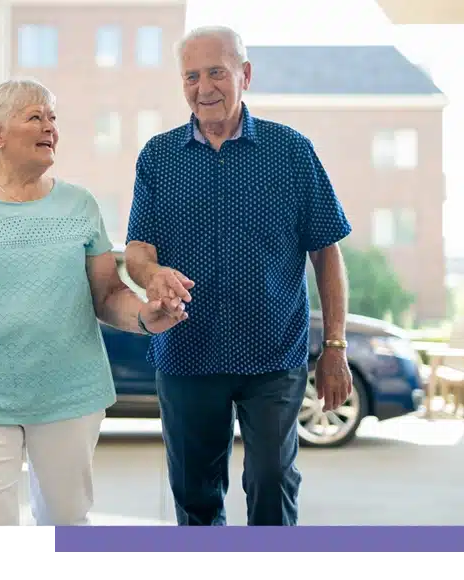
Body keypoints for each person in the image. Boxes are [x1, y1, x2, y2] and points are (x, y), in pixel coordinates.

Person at [0, 79, 186, 528]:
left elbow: (108, 294)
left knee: (66, 523)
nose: (50, 128)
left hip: (69, 395)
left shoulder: (79, 204)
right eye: (35, 117)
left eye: (53, 118)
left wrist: (146, 317)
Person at [124, 26, 354, 526]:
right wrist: (153, 272)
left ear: (244, 75)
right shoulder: (158, 158)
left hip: (272, 356)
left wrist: (334, 347)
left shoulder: (291, 151)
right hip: (186, 352)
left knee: (272, 483)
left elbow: (327, 253)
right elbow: (137, 249)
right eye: (191, 76)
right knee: (195, 496)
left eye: (216, 73)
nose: (203, 87)